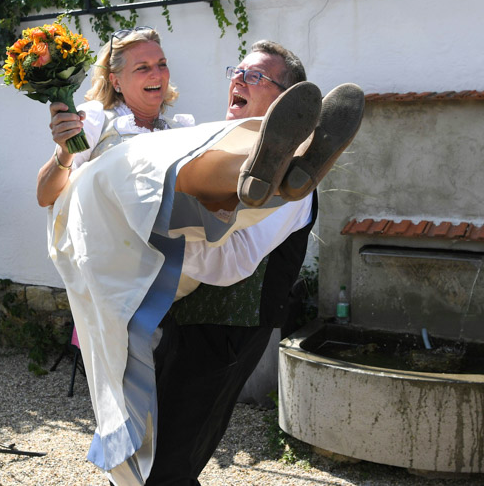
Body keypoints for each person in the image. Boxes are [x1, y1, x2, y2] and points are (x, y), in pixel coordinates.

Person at [37, 32, 363, 485]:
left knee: (169, 459)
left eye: (257, 76)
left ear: (288, 101)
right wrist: (65, 153)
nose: (240, 79)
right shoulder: (105, 121)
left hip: (226, 325)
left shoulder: (198, 137)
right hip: (169, 302)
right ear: (115, 79)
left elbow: (233, 262)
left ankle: (279, 166)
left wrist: (157, 247)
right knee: (154, 440)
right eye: (239, 72)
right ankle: (253, 176)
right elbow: (48, 193)